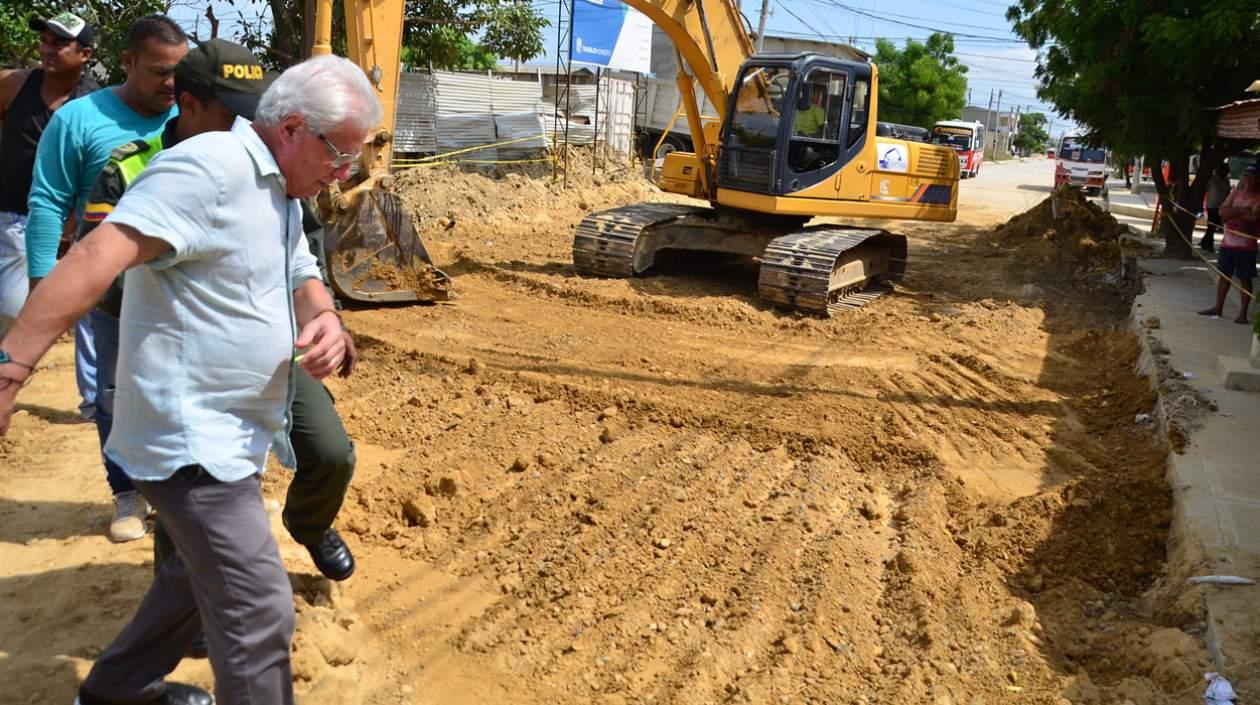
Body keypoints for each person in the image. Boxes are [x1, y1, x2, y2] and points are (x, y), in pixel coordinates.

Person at [0, 53, 379, 705]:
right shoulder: (208, 170)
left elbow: (299, 273)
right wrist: (11, 370)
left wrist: (323, 320)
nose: (342, 173)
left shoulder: (279, 188)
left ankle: (117, 690)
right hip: (190, 444)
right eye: (338, 154)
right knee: (260, 613)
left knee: (188, 576)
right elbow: (95, 256)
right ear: (290, 129)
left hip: (235, 434)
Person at [77, 38, 359, 583]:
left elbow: (303, 261)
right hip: (183, 361)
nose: (245, 126)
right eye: (232, 112)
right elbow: (102, 276)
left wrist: (326, 317)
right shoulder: (138, 168)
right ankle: (181, 597)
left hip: (272, 348)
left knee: (330, 452)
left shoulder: (272, 171)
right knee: (200, 488)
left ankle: (309, 522)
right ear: (189, 106)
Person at [25, 14, 188, 542]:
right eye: (160, 72)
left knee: (185, 388)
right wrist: (42, 284)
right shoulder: (78, 121)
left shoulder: (198, 113)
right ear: (127, 61)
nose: (171, 85)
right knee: (114, 392)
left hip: (186, 286)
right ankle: (126, 493)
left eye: (178, 74)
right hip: (113, 290)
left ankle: (185, 491)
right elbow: (49, 202)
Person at [0, 10, 98, 337]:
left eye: (60, 43)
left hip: (57, 223)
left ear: (85, 54)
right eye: (44, 40)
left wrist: (73, 223)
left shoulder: (96, 105)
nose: (47, 49)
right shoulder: (13, 85)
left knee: (18, 313)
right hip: (7, 215)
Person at [1199, 164, 1260, 324]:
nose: (1250, 180)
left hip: (1246, 246)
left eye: (1254, 177)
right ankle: (1218, 307)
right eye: (1248, 176)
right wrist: (1243, 211)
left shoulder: (1258, 198)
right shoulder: (1236, 194)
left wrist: (1232, 213)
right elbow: (1222, 212)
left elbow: (1254, 217)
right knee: (1224, 275)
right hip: (1228, 243)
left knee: (1244, 278)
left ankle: (1243, 313)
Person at [1200, 163, 1232, 253]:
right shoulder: (1212, 179)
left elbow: (1227, 192)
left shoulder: (1226, 180)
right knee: (1211, 226)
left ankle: (1204, 241)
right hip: (1212, 205)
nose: (1225, 173)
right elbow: (1204, 190)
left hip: (1222, 206)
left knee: (1216, 226)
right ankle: (1208, 244)